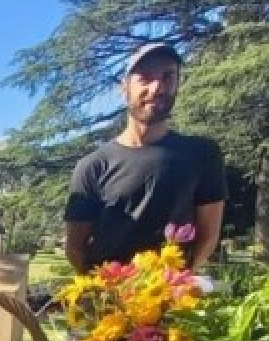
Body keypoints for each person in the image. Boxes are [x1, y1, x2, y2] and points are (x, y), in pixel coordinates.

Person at [64, 43, 226, 273]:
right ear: (125, 87)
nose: (157, 87)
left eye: (167, 77)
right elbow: (75, 249)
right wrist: (104, 293)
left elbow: (208, 238)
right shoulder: (93, 166)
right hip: (112, 301)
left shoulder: (202, 154)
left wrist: (174, 285)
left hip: (174, 302)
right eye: (145, 77)